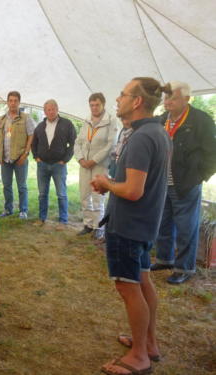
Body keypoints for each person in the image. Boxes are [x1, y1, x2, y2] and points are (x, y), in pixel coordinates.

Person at [91, 77, 171, 375]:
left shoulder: (140, 137)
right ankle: (148, 344)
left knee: (128, 287)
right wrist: (113, 185)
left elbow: (134, 190)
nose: (118, 98)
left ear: (137, 101)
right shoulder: (156, 132)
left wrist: (106, 183)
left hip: (128, 224)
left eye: (123, 94)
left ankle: (139, 357)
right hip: (145, 222)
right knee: (143, 281)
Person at [152, 81, 216, 284]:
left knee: (186, 226)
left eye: (173, 97)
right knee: (163, 222)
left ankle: (185, 268)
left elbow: (212, 154)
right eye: (166, 97)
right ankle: (165, 259)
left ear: (187, 99)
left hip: (186, 184)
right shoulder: (162, 119)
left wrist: (198, 177)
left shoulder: (201, 120)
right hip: (163, 182)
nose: (168, 101)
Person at [74, 93, 118, 239]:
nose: (94, 108)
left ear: (103, 104)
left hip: (100, 165)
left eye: (97, 105)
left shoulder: (111, 120)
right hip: (84, 165)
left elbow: (110, 145)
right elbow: (78, 142)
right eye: (91, 105)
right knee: (84, 194)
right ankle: (87, 224)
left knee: (98, 196)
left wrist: (94, 160)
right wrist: (80, 159)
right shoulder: (87, 120)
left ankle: (99, 226)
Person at [32, 99, 76, 226]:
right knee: (42, 194)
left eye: (53, 109)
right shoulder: (40, 126)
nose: (51, 112)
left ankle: (63, 220)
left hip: (59, 165)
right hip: (43, 165)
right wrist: (36, 157)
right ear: (45, 111)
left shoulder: (67, 124)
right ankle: (42, 218)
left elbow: (73, 143)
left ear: (57, 109)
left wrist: (65, 160)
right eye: (48, 110)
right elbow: (34, 144)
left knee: (61, 194)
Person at [0, 91, 35, 219]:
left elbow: (31, 136)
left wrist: (26, 154)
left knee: (21, 186)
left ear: (19, 102)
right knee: (6, 185)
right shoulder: (1, 119)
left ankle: (23, 210)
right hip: (5, 159)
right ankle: (8, 209)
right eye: (10, 100)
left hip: (20, 158)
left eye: (15, 101)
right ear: (7, 102)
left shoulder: (26, 118)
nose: (13, 103)